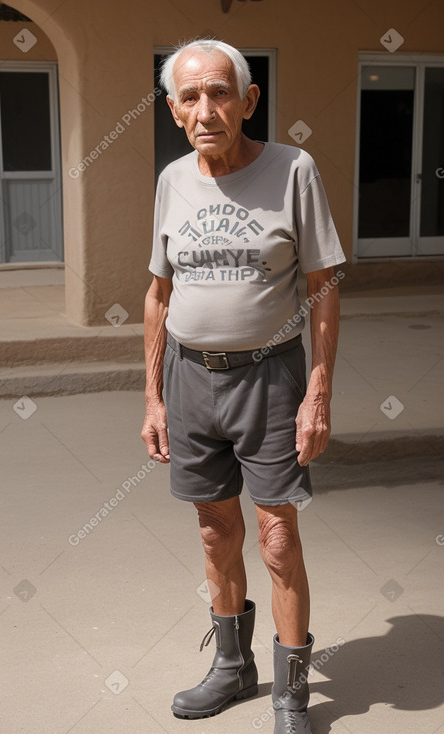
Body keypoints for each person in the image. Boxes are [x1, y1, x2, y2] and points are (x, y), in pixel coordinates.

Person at [141, 38, 346, 734]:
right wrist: (153, 395)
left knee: (277, 539)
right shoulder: (172, 180)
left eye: (219, 92)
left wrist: (318, 392)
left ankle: (291, 690)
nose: (206, 109)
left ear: (248, 100)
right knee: (212, 531)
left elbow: (321, 287)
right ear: (174, 110)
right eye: (190, 97)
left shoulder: (293, 170)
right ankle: (231, 668)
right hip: (190, 377)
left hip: (270, 379)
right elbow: (158, 292)